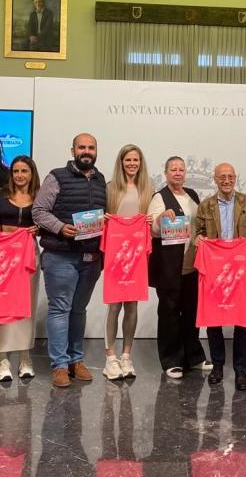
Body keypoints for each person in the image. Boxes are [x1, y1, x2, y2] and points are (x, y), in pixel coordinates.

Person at [32, 133, 107, 388]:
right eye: (82, 147)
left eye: (91, 147)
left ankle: (77, 360)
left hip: (91, 257)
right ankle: (60, 365)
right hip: (60, 255)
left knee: (78, 310)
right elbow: (39, 211)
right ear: (73, 149)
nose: (86, 151)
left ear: (96, 151)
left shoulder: (100, 180)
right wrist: (60, 227)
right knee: (60, 309)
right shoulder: (56, 176)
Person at [195, 163, 246, 391]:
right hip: (215, 268)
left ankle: (241, 370)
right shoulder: (206, 205)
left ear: (235, 178)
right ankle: (218, 366)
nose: (226, 180)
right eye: (222, 177)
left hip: (239, 267)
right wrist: (200, 241)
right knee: (214, 319)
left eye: (230, 176)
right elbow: (197, 233)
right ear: (215, 179)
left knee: (243, 320)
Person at [148, 156, 211, 379]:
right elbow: (153, 230)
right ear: (166, 173)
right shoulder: (159, 197)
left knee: (192, 312)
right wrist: (161, 218)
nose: (178, 173)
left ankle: (193, 357)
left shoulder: (192, 195)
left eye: (181, 169)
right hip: (169, 267)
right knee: (169, 313)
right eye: (173, 169)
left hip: (192, 266)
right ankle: (171, 360)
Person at [102, 144, 154, 381]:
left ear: (140, 163)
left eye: (136, 160)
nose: (132, 164)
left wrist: (152, 220)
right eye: (128, 160)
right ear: (121, 163)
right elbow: (99, 219)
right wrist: (104, 219)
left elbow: (153, 223)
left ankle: (126, 355)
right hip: (115, 254)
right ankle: (110, 357)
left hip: (137, 255)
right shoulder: (111, 189)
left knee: (132, 306)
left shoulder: (148, 189)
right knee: (114, 306)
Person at [0, 156, 41, 381]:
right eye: (16, 171)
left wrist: (39, 229)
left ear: (32, 173)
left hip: (29, 254)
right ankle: (2, 360)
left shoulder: (41, 197)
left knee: (26, 307)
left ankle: (25, 358)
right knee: (1, 306)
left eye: (24, 171)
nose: (20, 175)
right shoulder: (0, 195)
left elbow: (47, 223)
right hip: (2, 255)